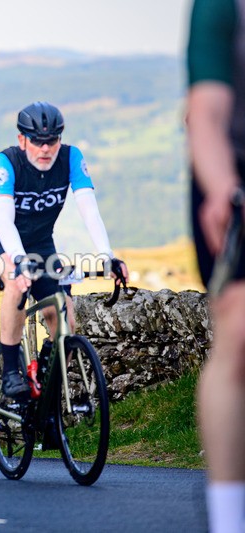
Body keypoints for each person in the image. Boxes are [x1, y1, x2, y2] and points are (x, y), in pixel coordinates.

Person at [0, 101, 128, 400]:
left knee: (64, 317)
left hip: (42, 243)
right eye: (37, 141)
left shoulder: (71, 158)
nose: (45, 149)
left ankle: (49, 400)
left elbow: (88, 210)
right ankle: (10, 373)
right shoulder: (6, 163)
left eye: (52, 141)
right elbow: (4, 221)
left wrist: (107, 256)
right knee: (17, 283)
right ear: (22, 140)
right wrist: (18, 262)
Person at [187, 1, 245, 531]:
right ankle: (230, 521)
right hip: (231, 160)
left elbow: (87, 208)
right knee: (241, 326)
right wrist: (222, 187)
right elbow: (204, 112)